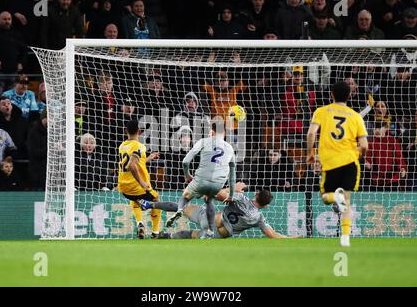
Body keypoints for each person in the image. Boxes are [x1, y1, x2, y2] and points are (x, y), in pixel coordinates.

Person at [306, 81, 369, 247]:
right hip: (350, 161)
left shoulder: (321, 111)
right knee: (346, 201)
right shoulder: (356, 116)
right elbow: (364, 145)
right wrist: (360, 155)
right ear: (349, 96)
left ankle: (335, 196)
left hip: (331, 162)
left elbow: (311, 132)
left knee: (326, 199)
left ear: (331, 95)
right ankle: (345, 238)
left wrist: (310, 153)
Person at [141, 182, 294, 239]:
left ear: (256, 194)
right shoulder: (258, 218)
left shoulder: (241, 198)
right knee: (191, 235)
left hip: (209, 218)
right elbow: (272, 235)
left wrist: (233, 188)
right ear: (265, 206)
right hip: (218, 234)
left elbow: (220, 195)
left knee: (182, 207)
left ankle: (149, 205)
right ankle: (166, 237)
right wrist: (291, 239)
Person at [165, 121, 236, 239]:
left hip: (202, 179)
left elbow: (185, 161)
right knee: (209, 200)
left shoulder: (203, 141)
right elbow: (232, 176)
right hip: (218, 183)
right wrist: (231, 195)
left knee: (186, 196)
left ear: (211, 132)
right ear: (224, 133)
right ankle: (209, 230)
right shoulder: (229, 148)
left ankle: (180, 209)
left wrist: (187, 175)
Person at [117, 119, 162, 239]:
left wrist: (148, 158)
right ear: (140, 131)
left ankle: (139, 223)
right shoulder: (140, 146)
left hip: (124, 189)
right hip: (137, 187)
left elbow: (135, 163)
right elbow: (132, 165)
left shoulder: (122, 146)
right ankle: (155, 232)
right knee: (156, 199)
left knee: (135, 198)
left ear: (125, 131)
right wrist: (142, 183)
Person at [27, 108, 47, 191]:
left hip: (50, 174)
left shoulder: (54, 132)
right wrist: (50, 150)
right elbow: (32, 152)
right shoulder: (33, 131)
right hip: (37, 173)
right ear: (44, 118)